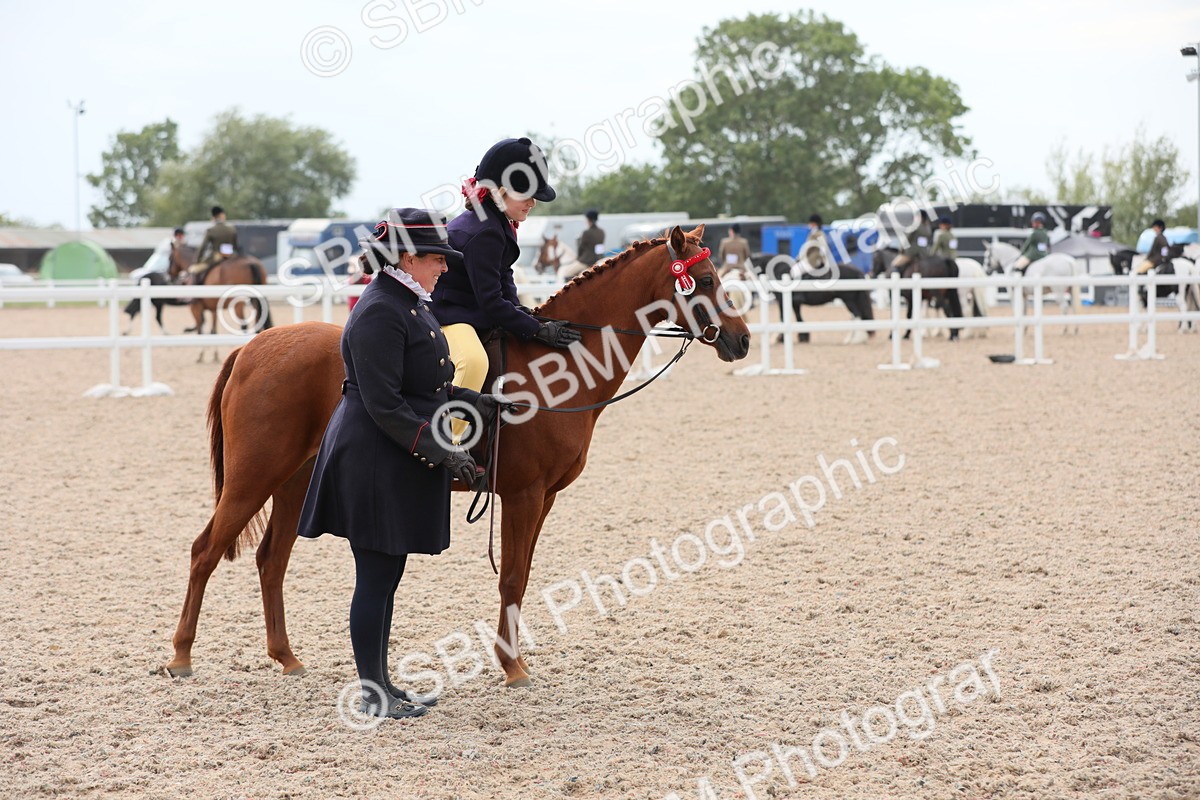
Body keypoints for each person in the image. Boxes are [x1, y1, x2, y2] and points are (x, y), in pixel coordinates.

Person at [297, 208, 505, 721]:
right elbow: (384, 403)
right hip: (372, 456)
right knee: (374, 575)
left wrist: (476, 401)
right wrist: (444, 451)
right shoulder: (379, 312)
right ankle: (371, 693)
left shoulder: (409, 304)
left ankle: (383, 682)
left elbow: (424, 384)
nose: (444, 268)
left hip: (394, 451)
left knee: (388, 575)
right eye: (438, 259)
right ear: (409, 257)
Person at [432, 137, 581, 396]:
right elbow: (490, 300)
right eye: (526, 195)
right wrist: (536, 330)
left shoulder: (497, 221)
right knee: (474, 362)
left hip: (469, 307)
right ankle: (447, 434)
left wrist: (523, 312)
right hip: (447, 314)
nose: (533, 203)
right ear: (499, 191)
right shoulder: (484, 232)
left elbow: (503, 274)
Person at [189, 206, 239, 282]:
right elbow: (235, 246)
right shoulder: (232, 229)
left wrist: (197, 261)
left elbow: (203, 247)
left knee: (195, 271)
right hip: (231, 256)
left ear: (214, 217)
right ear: (222, 215)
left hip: (215, 258)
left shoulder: (211, 230)